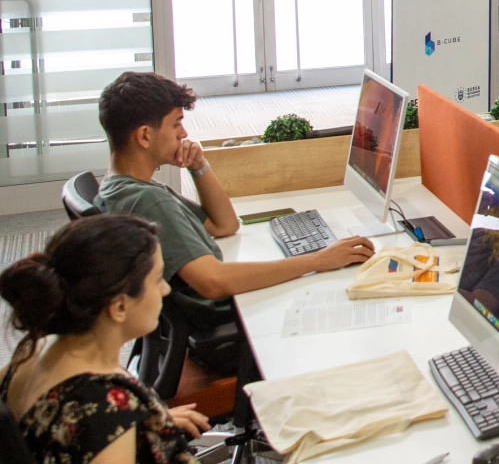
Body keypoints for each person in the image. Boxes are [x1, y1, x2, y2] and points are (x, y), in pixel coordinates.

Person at [1, 213, 269, 464]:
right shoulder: (103, 404)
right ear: (119, 307)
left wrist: (140, 426)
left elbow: (69, 434)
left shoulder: (32, 352)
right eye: (157, 280)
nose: (165, 290)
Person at [92, 72, 375, 325]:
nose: (184, 133)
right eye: (176, 123)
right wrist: (316, 260)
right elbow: (213, 282)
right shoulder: (149, 200)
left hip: (208, 315)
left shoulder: (123, 187)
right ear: (144, 136)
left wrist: (199, 166)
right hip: (224, 321)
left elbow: (224, 225)